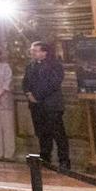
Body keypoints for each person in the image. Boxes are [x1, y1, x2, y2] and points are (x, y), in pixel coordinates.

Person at [22, 41, 70, 170]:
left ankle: (64, 160)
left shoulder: (55, 65)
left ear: (44, 52)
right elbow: (25, 82)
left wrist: (37, 96)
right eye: (32, 50)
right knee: (42, 133)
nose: (32, 52)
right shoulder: (30, 66)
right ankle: (45, 157)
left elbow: (54, 83)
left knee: (58, 133)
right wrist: (28, 94)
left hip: (52, 105)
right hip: (36, 106)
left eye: (35, 50)